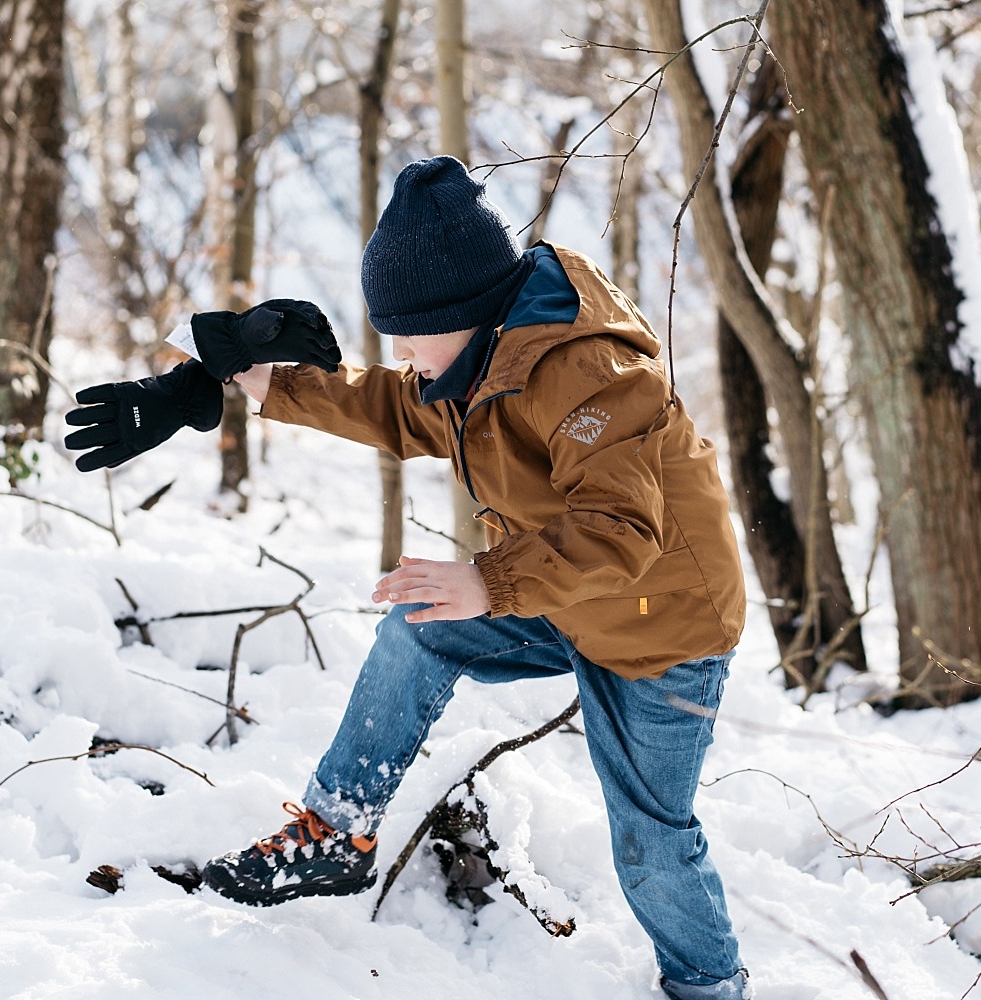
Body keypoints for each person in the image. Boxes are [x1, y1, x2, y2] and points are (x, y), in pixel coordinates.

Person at [65, 156, 752, 1000]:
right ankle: (337, 830)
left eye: (409, 333)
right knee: (418, 626)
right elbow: (391, 405)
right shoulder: (480, 356)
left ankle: (710, 988)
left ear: (464, 312)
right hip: (557, 592)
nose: (399, 352)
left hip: (662, 626)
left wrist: (488, 583)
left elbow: (622, 529)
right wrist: (257, 381)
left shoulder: (592, 374)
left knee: (651, 840)